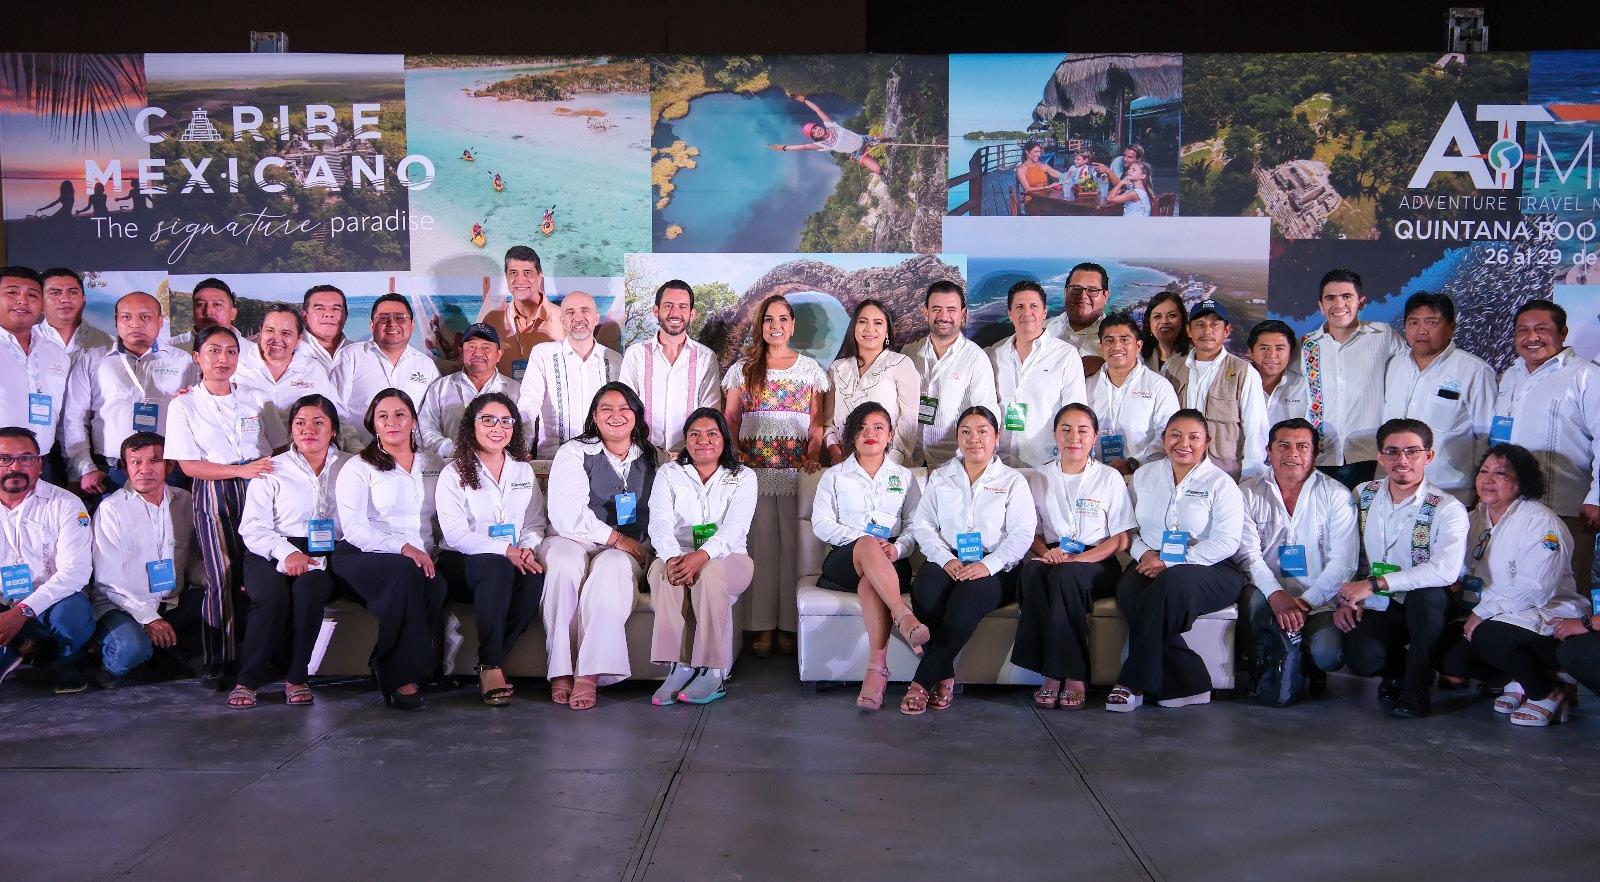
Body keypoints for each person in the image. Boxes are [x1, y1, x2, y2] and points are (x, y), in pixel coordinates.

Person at [1108, 410, 1247, 712]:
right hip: (1151, 558)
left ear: (1207, 442)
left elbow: (1227, 542)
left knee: (1170, 584)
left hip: (1211, 567)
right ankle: (1191, 681)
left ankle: (1131, 683)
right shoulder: (1144, 476)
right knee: (1129, 591)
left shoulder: (1221, 484)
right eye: (1175, 435)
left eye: (1194, 437)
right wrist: (1144, 554)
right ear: (1164, 439)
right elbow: (1128, 528)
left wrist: (1171, 563)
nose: (1184, 444)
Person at [1440, 445, 1587, 726]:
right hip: (1491, 616)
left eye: (1501, 474)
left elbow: (1537, 588)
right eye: (1484, 471)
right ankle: (1517, 678)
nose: (1488, 480)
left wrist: (1482, 613)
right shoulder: (1473, 518)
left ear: (1523, 482)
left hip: (1544, 617)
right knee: (1449, 657)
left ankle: (1546, 691)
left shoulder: (1541, 522)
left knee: (1488, 636)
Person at [902, 406, 1034, 714]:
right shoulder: (941, 476)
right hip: (949, 559)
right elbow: (924, 525)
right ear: (958, 438)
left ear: (996, 438)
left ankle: (921, 682)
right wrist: (945, 559)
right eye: (966, 432)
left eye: (982, 431)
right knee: (925, 588)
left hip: (997, 567)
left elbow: (1022, 534)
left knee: (966, 598)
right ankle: (945, 674)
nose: (974, 438)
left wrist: (987, 566)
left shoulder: (1013, 481)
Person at [1335, 418, 1469, 719]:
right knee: (1362, 657)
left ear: (1428, 456)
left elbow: (1446, 570)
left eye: (1412, 451)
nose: (1402, 460)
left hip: (1426, 606)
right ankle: (1397, 672)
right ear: (1379, 456)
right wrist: (1345, 598)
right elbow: (1345, 552)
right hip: (1378, 602)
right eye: (1392, 452)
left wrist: (1375, 584)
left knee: (1427, 596)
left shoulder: (1448, 507)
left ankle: (1415, 690)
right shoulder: (1362, 494)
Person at [164, 325, 274, 688]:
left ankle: (262, 655)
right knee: (222, 575)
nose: (222, 359)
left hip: (259, 489)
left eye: (230, 351)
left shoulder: (257, 398)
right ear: (197, 357)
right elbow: (188, 466)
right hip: (214, 491)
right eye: (213, 351)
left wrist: (254, 474)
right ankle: (219, 658)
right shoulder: (183, 404)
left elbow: (277, 446)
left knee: (261, 574)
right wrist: (238, 471)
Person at [722, 295, 828, 657]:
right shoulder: (743, 369)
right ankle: (761, 625)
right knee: (761, 548)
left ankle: (790, 625)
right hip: (755, 474)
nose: (776, 326)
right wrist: (736, 452)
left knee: (794, 551)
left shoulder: (810, 370)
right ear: (761, 325)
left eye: (783, 319)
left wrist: (812, 454)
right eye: (769, 319)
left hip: (797, 473)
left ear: (793, 325)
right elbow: (730, 418)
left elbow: (817, 423)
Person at [1012, 404, 1134, 711]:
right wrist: (1047, 553)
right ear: (1055, 434)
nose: (1073, 437)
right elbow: (1031, 533)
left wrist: (1078, 560)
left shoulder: (1109, 477)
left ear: (1095, 437)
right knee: (1032, 573)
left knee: (1065, 576)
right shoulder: (1039, 477)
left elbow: (1121, 538)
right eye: (1065, 430)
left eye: (1082, 431)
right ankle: (1052, 670)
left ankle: (1066, 675)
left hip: (1097, 560)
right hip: (1055, 556)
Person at [543, 383, 657, 710]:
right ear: (594, 416)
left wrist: (630, 546)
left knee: (612, 567)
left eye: (624, 408)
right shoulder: (574, 452)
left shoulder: (654, 457)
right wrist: (617, 538)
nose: (615, 415)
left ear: (637, 415)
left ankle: (588, 673)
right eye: (606, 408)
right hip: (573, 538)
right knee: (563, 563)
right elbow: (567, 515)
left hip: (626, 550)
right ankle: (560, 669)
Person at [332, 389, 448, 711]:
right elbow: (355, 529)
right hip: (361, 553)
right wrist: (403, 547)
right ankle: (398, 676)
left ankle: (396, 662)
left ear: (413, 421)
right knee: (405, 574)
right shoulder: (358, 467)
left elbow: (442, 517)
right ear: (373, 423)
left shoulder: (433, 463)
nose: (392, 422)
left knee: (437, 586)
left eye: (400, 415)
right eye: (383, 416)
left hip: (418, 557)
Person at [234, 395, 349, 708]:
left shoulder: (351, 467)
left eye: (318, 423)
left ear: (333, 430)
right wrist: (286, 553)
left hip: (325, 548)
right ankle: (248, 680)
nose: (308, 429)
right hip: (268, 547)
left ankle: (297, 677)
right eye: (300, 423)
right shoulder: (272, 468)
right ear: (291, 430)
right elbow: (253, 528)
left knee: (310, 591)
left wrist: (314, 557)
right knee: (271, 599)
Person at [811, 402, 924, 710]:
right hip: (845, 559)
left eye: (878, 427)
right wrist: (864, 540)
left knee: (870, 584)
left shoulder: (905, 477)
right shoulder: (834, 476)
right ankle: (902, 614)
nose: (869, 433)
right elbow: (821, 524)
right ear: (852, 436)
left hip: (891, 560)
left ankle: (877, 669)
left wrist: (897, 548)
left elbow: (916, 526)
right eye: (861, 428)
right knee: (866, 545)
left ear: (889, 435)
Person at [436, 392, 547, 706]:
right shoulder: (453, 473)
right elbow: (455, 534)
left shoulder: (522, 470)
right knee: (496, 566)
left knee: (534, 576)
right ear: (471, 425)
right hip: (461, 562)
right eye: (488, 420)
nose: (498, 427)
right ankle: (492, 667)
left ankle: (490, 660)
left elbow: (534, 522)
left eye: (506, 421)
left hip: (510, 557)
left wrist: (526, 549)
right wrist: (505, 550)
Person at [1235, 419, 1360, 696]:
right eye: (1283, 445)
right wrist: (1276, 595)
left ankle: (1305, 668)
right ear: (1268, 451)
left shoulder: (1336, 495)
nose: (1292, 453)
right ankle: (1265, 671)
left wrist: (1306, 602)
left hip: (1319, 601)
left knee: (1329, 654)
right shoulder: (1247, 492)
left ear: (1315, 453)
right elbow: (1248, 555)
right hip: (1265, 595)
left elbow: (1344, 562)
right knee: (1251, 601)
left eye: (1302, 446)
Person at [646, 408, 756, 706]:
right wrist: (672, 557)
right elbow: (659, 521)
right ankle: (678, 668)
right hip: (678, 555)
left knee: (709, 572)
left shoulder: (743, 476)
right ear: (686, 441)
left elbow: (736, 527)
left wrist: (703, 555)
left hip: (730, 559)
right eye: (694, 434)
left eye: (711, 434)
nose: (702, 440)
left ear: (724, 439)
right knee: (661, 572)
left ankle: (712, 671)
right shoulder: (669, 473)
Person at [1491, 299, 1600, 591]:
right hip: (1509, 506)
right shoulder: (1510, 376)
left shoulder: (1586, 376)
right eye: (1523, 330)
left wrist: (1597, 498)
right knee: (1511, 583)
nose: (1532, 337)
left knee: (1566, 587)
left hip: (1566, 507)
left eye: (1542, 329)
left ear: (1563, 333)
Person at [88, 432, 204, 688]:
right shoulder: (112, 509)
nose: (144, 470)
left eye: (154, 461)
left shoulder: (185, 501)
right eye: (136, 462)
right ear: (125, 467)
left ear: (169, 466)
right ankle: (113, 660)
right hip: (123, 606)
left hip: (169, 601)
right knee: (129, 651)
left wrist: (218, 579)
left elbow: (193, 558)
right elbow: (108, 582)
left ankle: (162, 654)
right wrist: (148, 617)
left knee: (223, 599)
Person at [61, 291, 194, 496]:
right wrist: (85, 468)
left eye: (145, 317)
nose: (135, 324)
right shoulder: (93, 361)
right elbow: (74, 419)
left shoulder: (183, 361)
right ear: (116, 321)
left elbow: (197, 415)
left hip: (169, 468)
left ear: (160, 321)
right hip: (110, 471)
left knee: (172, 517)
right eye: (126, 317)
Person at [0, 427, 94, 693]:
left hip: (52, 602)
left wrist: (22, 611)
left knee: (72, 615)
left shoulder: (66, 503)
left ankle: (70, 666)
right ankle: (15, 649)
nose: (15, 467)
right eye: (4, 459)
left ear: (40, 464)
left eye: (26, 458)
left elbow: (75, 572)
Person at [1380, 293, 1495, 505]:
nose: (1421, 330)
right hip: (1394, 492)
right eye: (1413, 323)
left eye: (1431, 322)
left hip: (1450, 494)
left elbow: (1487, 437)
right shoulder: (1393, 366)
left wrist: (1483, 492)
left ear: (1452, 326)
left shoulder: (1475, 371)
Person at [1301, 269, 1406, 488]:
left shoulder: (1383, 335)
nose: (1339, 304)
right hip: (1322, 454)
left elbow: (1413, 372)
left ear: (1361, 302)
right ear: (1321, 305)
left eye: (1347, 296)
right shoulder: (1308, 345)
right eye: (1330, 298)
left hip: (1370, 453)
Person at [1163, 299, 1268, 480]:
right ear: (1189, 330)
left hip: (1226, 475)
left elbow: (1255, 431)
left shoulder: (1244, 372)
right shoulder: (1171, 369)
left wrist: (1249, 479)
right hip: (1178, 472)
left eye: (1214, 325)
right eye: (1200, 325)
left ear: (1226, 330)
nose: (1207, 331)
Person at [988, 281, 1087, 468]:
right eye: (1019, 307)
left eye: (1033, 306)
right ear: (1010, 314)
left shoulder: (1065, 355)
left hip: (1045, 463)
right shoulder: (996, 356)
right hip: (999, 463)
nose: (1027, 312)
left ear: (1045, 312)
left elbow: (1075, 412)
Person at [618, 280, 720, 453]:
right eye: (668, 305)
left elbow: (711, 414)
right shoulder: (635, 354)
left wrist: (685, 454)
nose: (675, 313)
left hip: (690, 457)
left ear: (692, 314)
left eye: (682, 306)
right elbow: (625, 407)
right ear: (656, 311)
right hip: (641, 454)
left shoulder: (706, 357)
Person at [905, 281, 998, 470]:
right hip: (911, 460)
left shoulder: (976, 358)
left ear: (963, 315)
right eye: (936, 309)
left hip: (954, 464)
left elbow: (986, 414)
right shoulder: (909, 353)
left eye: (951, 309)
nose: (943, 316)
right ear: (926, 312)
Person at [519, 292, 621, 458]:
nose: (578, 318)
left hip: (605, 459)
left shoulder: (615, 360)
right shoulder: (543, 354)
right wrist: (521, 448)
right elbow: (529, 403)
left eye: (585, 310)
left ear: (596, 318)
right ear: (562, 321)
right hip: (554, 460)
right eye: (570, 312)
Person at [332, 294, 440, 448]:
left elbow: (432, 418)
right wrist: (356, 450)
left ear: (412, 325)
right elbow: (335, 410)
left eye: (400, 318)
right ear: (371, 325)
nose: (392, 323)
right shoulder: (350, 356)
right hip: (358, 453)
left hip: (412, 455)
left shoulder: (426, 365)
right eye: (383, 318)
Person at [824, 299, 920, 465]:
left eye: (878, 323)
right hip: (845, 463)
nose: (870, 329)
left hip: (889, 463)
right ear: (853, 328)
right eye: (862, 322)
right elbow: (828, 422)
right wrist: (835, 450)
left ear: (887, 331)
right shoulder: (837, 368)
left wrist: (888, 463)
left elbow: (909, 421)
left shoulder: (901, 364)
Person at [235, 304, 336, 454]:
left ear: (299, 339)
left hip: (300, 457)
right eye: (270, 330)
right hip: (249, 459)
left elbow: (333, 415)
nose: (276, 339)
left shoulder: (313, 369)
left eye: (286, 333)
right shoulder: (237, 365)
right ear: (260, 332)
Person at [1087, 313, 1179, 476]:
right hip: (1095, 476)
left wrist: (1132, 463)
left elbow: (1169, 434)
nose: (1116, 346)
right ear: (1101, 346)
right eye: (1109, 341)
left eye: (1124, 340)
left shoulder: (1158, 386)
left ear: (1138, 346)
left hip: (1144, 475)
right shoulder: (1087, 385)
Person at [1, 267, 70, 482]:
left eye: (32, 295)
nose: (23, 300)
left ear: (42, 305)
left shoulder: (57, 353)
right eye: (12, 292)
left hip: (42, 463)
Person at [418, 323, 522, 459]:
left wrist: (502, 455)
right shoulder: (440, 388)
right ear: (461, 352)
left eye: (486, 347)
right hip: (451, 465)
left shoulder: (515, 390)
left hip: (501, 465)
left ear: (499, 354)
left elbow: (523, 431)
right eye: (471, 347)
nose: (478, 353)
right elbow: (426, 429)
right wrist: (455, 451)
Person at [480, 245, 565, 380]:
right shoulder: (492, 320)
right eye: (513, 273)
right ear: (507, 277)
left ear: (540, 276)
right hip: (504, 393)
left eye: (527, 273)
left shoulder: (563, 320)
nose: (520, 280)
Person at [773, 93, 881, 175]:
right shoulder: (823, 145)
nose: (817, 130)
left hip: (863, 139)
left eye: (815, 128)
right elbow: (803, 147)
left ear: (818, 126)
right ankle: (882, 176)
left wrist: (804, 100)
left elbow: (818, 110)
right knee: (878, 170)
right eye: (814, 132)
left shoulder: (830, 125)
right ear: (815, 137)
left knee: (885, 140)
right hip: (858, 153)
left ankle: (886, 140)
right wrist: (785, 148)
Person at [1045, 262, 1111, 372]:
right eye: (1076, 288)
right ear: (1066, 292)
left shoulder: (1122, 339)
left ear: (1105, 295)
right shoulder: (1040, 330)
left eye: (1092, 290)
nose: (1083, 296)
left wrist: (1108, 366)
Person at [36, 267, 112, 359]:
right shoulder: (25, 339)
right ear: (40, 300)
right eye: (55, 293)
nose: (65, 299)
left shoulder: (108, 343)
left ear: (84, 299)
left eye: (73, 292)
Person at [1248, 320, 1309, 427]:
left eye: (1280, 348)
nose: (1272, 355)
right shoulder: (1237, 383)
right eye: (1264, 348)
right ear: (1251, 352)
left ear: (1291, 353)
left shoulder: (1304, 386)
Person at [297, 284, 357, 372]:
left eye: (336, 308)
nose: (329, 314)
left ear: (346, 315)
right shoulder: (291, 351)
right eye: (319, 308)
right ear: (304, 316)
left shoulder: (359, 353)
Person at [171, 278, 240, 350]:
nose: (208, 312)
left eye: (217, 304)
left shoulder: (248, 351)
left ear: (232, 313)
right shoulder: (172, 348)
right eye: (201, 304)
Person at [1140, 290, 1190, 372]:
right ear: (1149, 323)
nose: (1164, 321)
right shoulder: (1138, 356)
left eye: (1172, 315)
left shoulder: (1195, 356)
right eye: (1157, 316)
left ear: (1183, 319)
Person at [1013, 141, 1063, 206]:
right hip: (1032, 201)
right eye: (1036, 152)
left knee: (1062, 204)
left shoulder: (1042, 165)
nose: (1039, 154)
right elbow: (1028, 189)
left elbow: (1059, 175)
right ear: (1027, 152)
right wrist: (1049, 186)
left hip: (1046, 197)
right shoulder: (1021, 169)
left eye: (1039, 152)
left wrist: (1072, 174)